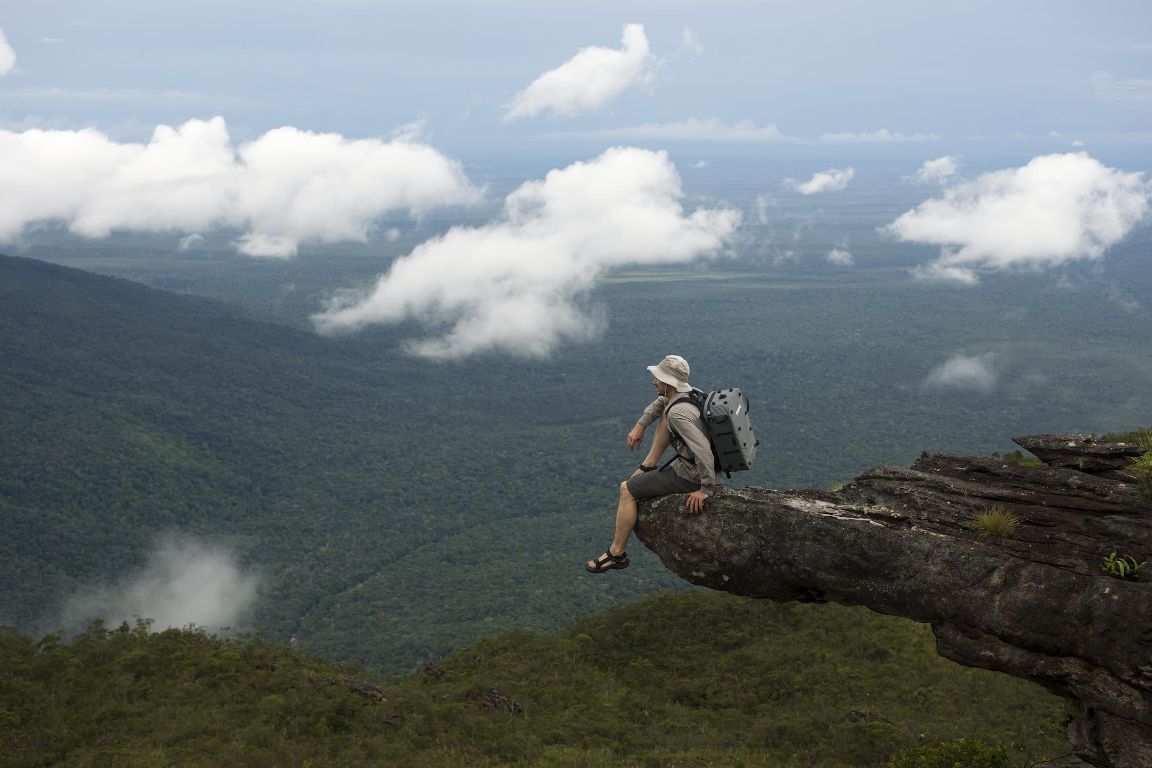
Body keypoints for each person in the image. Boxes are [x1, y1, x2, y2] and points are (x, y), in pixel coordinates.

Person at [584, 354, 721, 573]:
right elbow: (660, 403)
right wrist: (641, 425)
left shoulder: (678, 413)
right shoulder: (691, 394)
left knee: (627, 489)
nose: (653, 381)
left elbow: (703, 450)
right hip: (695, 468)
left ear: (668, 383)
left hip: (690, 476)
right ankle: (649, 465)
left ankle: (616, 554)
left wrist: (706, 489)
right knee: (665, 413)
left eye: (657, 378)